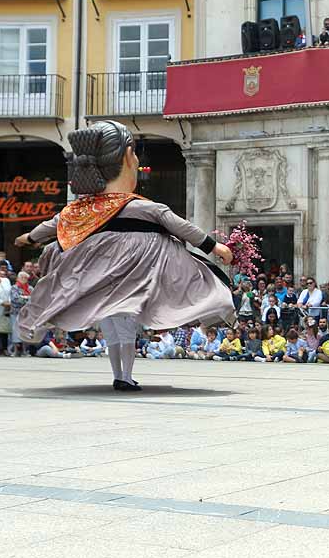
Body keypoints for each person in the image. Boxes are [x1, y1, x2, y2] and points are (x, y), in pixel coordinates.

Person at [15, 121, 235, 392]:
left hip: (99, 283)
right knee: (125, 329)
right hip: (133, 280)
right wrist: (216, 247)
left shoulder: (84, 209)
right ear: (128, 156)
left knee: (112, 330)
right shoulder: (144, 207)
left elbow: (54, 224)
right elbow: (183, 227)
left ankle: (121, 375)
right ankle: (125, 376)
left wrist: (29, 238)